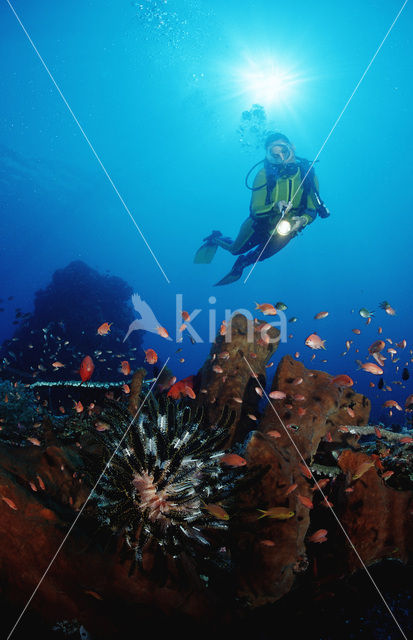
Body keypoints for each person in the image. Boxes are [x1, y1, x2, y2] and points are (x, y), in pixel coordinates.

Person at [194, 132, 330, 285]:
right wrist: (275, 206)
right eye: (275, 154)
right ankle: (215, 238)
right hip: (257, 226)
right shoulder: (263, 175)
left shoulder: (309, 175)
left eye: (284, 151)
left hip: (286, 231)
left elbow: (313, 209)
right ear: (268, 156)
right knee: (234, 250)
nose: (282, 158)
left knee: (260, 256)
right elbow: (255, 209)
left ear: (292, 148)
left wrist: (303, 220)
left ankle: (242, 264)